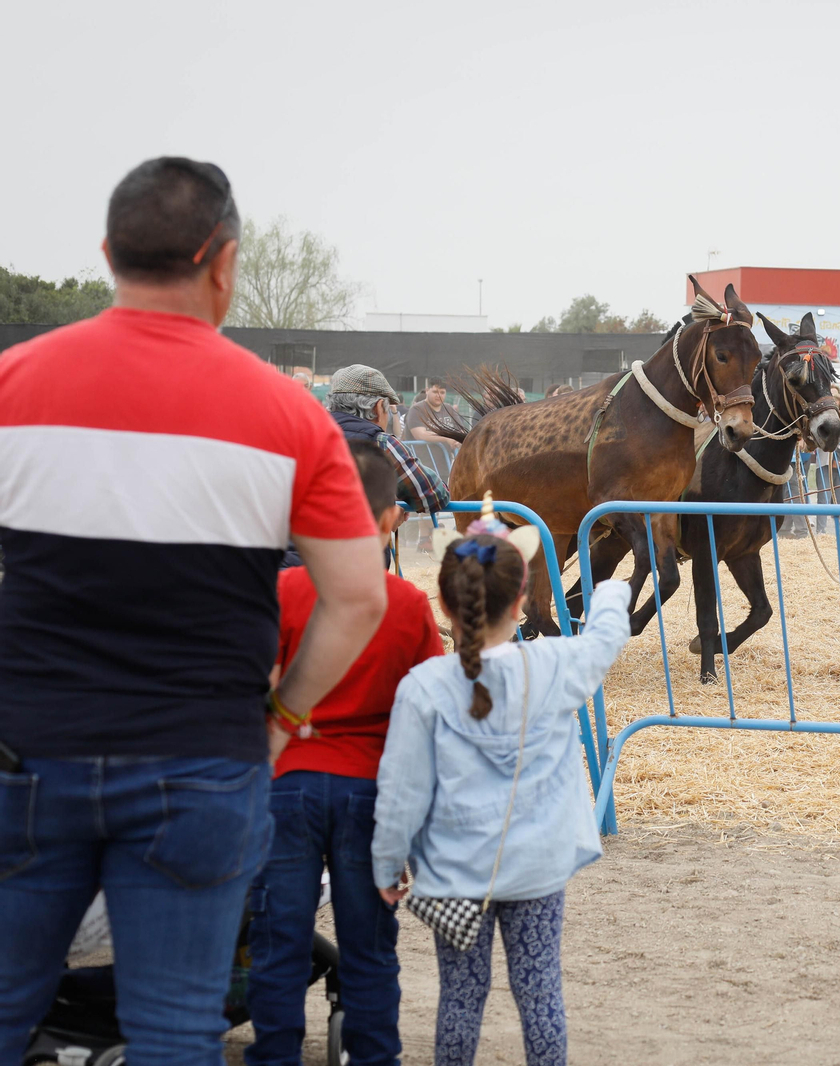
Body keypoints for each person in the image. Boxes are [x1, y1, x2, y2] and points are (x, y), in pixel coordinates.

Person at [0, 156, 387, 1066]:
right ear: (225, 263)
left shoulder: (14, 386)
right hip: (200, 759)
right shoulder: (286, 415)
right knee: (175, 1030)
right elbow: (359, 594)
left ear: (108, 254)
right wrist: (286, 717)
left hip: (27, 754)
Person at [372, 530, 632, 1066]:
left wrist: (385, 863)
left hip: (455, 871)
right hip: (536, 869)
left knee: (461, 1000)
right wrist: (609, 593)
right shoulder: (555, 666)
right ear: (522, 604)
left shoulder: (423, 687)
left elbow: (401, 791)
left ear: (443, 603)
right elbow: (605, 639)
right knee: (540, 994)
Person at [246, 443, 443, 1066]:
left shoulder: (283, 592)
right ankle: (373, 1055)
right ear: (392, 520)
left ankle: (273, 1055)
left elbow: (259, 688)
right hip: (372, 794)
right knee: (369, 946)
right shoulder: (409, 606)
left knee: (278, 940)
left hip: (287, 785)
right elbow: (432, 708)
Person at [327, 364, 450, 519]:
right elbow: (434, 497)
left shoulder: (308, 437)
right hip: (364, 539)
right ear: (378, 408)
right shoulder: (383, 445)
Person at [404, 380, 469, 447]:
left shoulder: (449, 409)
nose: (438, 395)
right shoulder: (417, 409)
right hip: (422, 456)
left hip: (448, 456)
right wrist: (446, 438)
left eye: (442, 392)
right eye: (435, 392)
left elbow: (461, 431)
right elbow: (420, 434)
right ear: (427, 390)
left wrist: (459, 440)